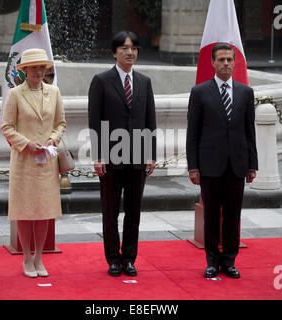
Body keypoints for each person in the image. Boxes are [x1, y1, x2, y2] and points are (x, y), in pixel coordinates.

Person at [186, 42, 258, 279]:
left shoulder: (246, 92)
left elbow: (250, 131)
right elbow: (193, 133)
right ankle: (211, 261)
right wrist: (193, 166)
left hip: (237, 164)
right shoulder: (199, 92)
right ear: (213, 63)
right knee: (211, 216)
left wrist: (252, 164)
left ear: (234, 62)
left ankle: (229, 261)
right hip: (209, 166)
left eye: (229, 59)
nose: (226, 63)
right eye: (221, 60)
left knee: (232, 215)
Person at [88, 31, 157, 277]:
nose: (130, 52)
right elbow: (94, 121)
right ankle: (113, 259)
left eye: (134, 48)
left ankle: (129, 258)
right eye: (125, 48)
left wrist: (150, 154)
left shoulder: (144, 82)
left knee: (134, 211)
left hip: (137, 157)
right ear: (114, 52)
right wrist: (98, 155)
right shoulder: (101, 81)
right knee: (110, 212)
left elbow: (151, 120)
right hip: (110, 158)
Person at [1, 48, 66, 278]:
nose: (39, 71)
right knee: (24, 210)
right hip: (24, 161)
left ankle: (39, 257)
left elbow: (61, 123)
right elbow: (6, 127)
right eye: (34, 67)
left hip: (46, 161)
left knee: (44, 210)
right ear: (25, 70)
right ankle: (26, 257)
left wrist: (52, 139)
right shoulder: (15, 94)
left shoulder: (55, 92)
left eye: (42, 67)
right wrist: (27, 143)